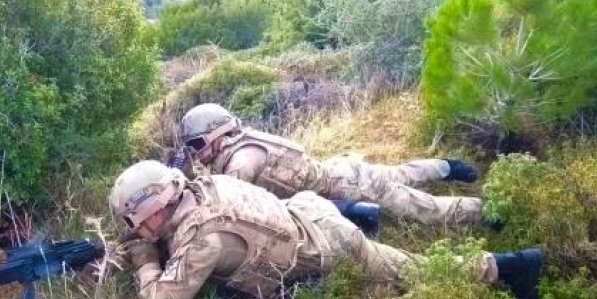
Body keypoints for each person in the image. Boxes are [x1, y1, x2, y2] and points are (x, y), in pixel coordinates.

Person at [110, 160, 542, 299]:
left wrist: (146, 261)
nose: (138, 231)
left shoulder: (202, 238)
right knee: (409, 263)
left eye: (138, 223)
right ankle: (512, 262)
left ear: (158, 208)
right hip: (310, 212)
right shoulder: (207, 185)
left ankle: (514, 266)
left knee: (416, 273)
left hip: (325, 247)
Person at [176, 103, 483, 227]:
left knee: (426, 209)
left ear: (217, 136)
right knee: (401, 173)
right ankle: (446, 167)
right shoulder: (244, 143)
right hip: (342, 171)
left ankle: (487, 212)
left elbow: (235, 207)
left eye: (197, 145)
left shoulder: (241, 163)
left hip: (352, 186)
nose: (195, 153)